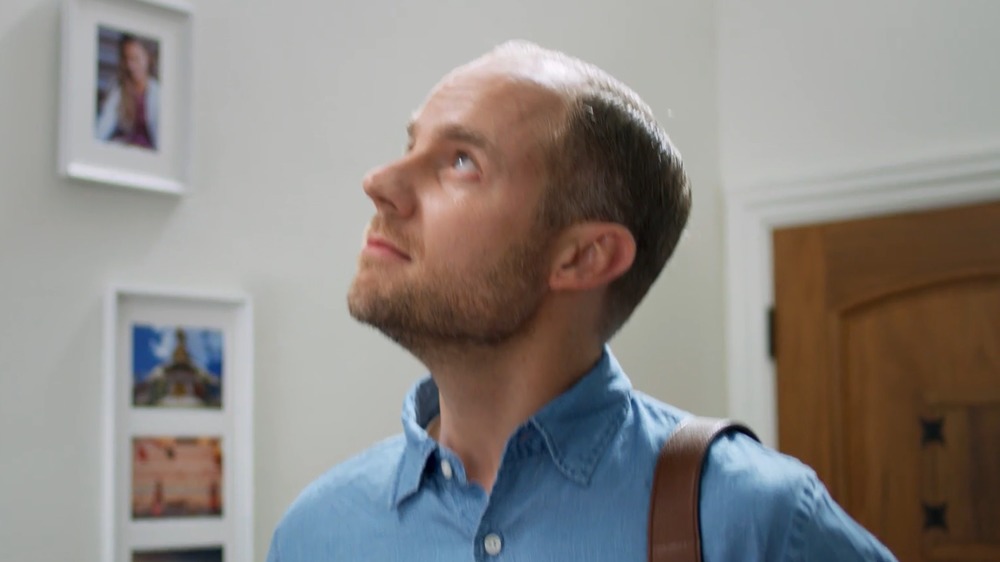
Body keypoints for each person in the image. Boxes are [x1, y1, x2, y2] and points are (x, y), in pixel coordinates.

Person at [266, 41, 897, 561]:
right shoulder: (314, 534)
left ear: (583, 257)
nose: (379, 182)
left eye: (461, 161)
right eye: (411, 146)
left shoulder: (753, 517)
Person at [95, 33, 160, 150]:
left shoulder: (159, 92)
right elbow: (103, 127)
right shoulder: (118, 88)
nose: (131, 66)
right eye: (127, 58)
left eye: (136, 59)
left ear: (148, 58)